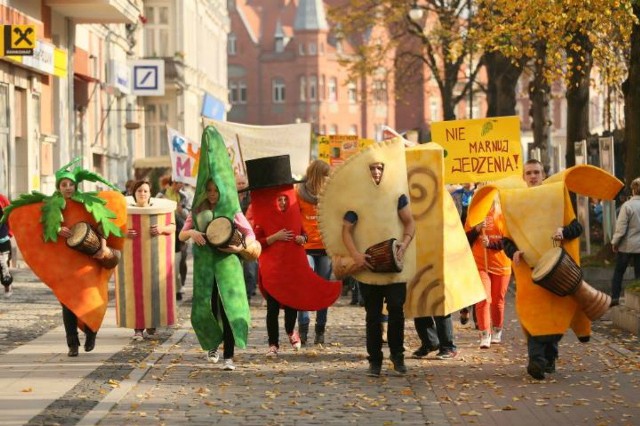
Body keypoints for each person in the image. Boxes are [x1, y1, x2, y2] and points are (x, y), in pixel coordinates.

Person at [178, 126, 260, 371]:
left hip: (227, 266)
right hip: (205, 269)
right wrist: (192, 232)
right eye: (209, 190)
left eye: (216, 190)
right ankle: (213, 344)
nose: (213, 195)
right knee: (208, 306)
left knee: (229, 308)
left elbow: (250, 236)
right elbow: (182, 235)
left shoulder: (233, 212)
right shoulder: (197, 211)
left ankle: (229, 356)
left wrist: (239, 248)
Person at [502, 159, 583, 380]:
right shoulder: (514, 202)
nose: (533, 176)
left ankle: (549, 357)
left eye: (537, 172)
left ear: (544, 174)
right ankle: (536, 361)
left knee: (555, 312)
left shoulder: (556, 196)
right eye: (529, 173)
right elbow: (506, 239)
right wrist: (513, 252)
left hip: (557, 269)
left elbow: (577, 227)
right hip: (529, 271)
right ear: (523, 177)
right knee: (532, 313)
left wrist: (564, 232)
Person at [342, 161, 415, 376]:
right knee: (372, 315)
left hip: (394, 266)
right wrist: (356, 255)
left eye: (380, 168)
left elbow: (410, 222)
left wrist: (404, 243)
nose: (376, 172)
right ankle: (375, 360)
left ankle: (397, 356)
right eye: (372, 168)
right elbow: (346, 230)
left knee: (396, 312)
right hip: (368, 267)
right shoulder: (357, 199)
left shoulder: (397, 196)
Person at [119, 180, 176, 341]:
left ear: (150, 193)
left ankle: (152, 325)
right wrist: (124, 232)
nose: (142, 194)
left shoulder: (160, 210)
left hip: (156, 256)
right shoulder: (124, 210)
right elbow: (111, 228)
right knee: (135, 292)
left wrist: (162, 229)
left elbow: (172, 226)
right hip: (132, 259)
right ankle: (138, 328)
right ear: (134, 193)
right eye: (139, 191)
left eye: (145, 191)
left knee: (154, 290)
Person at [255, 193, 303, 356]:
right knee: (272, 309)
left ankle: (291, 331)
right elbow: (257, 242)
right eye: (279, 199)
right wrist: (275, 237)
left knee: (291, 307)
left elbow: (305, 234)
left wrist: (301, 238)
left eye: (285, 199)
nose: (282, 202)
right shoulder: (265, 218)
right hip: (272, 271)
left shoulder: (295, 216)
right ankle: (273, 344)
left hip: (290, 271)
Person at [465, 198, 512, 349]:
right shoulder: (474, 214)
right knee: (483, 298)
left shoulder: (505, 211)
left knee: (498, 300)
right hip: (480, 265)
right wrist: (477, 230)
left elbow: (509, 240)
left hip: (501, 265)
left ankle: (497, 328)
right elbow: (465, 239)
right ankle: (485, 333)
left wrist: (491, 244)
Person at [296, 160, 332, 345]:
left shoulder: (330, 194)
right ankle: (303, 326)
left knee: (322, 289)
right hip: (306, 247)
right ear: (317, 175)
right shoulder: (299, 193)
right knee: (305, 286)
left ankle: (320, 328)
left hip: (325, 247)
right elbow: (293, 218)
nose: (328, 179)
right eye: (325, 176)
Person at [157, 177, 189, 301]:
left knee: (181, 260)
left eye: (181, 182)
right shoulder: (161, 194)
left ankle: (181, 285)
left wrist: (181, 210)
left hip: (181, 232)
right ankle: (174, 289)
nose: (180, 185)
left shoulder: (184, 196)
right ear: (172, 183)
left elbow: (188, 214)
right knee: (170, 262)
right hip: (166, 231)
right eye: (178, 182)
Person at [610, 177, 640, 306]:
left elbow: (621, 228)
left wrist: (615, 242)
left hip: (627, 246)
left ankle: (615, 297)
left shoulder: (627, 206)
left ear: (633, 190)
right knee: (639, 275)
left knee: (619, 272)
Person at [0, 193, 13, 298]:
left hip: (3, 237)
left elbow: (11, 215)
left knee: (4, 263)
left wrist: (10, 232)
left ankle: (7, 283)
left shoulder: (2, 199)